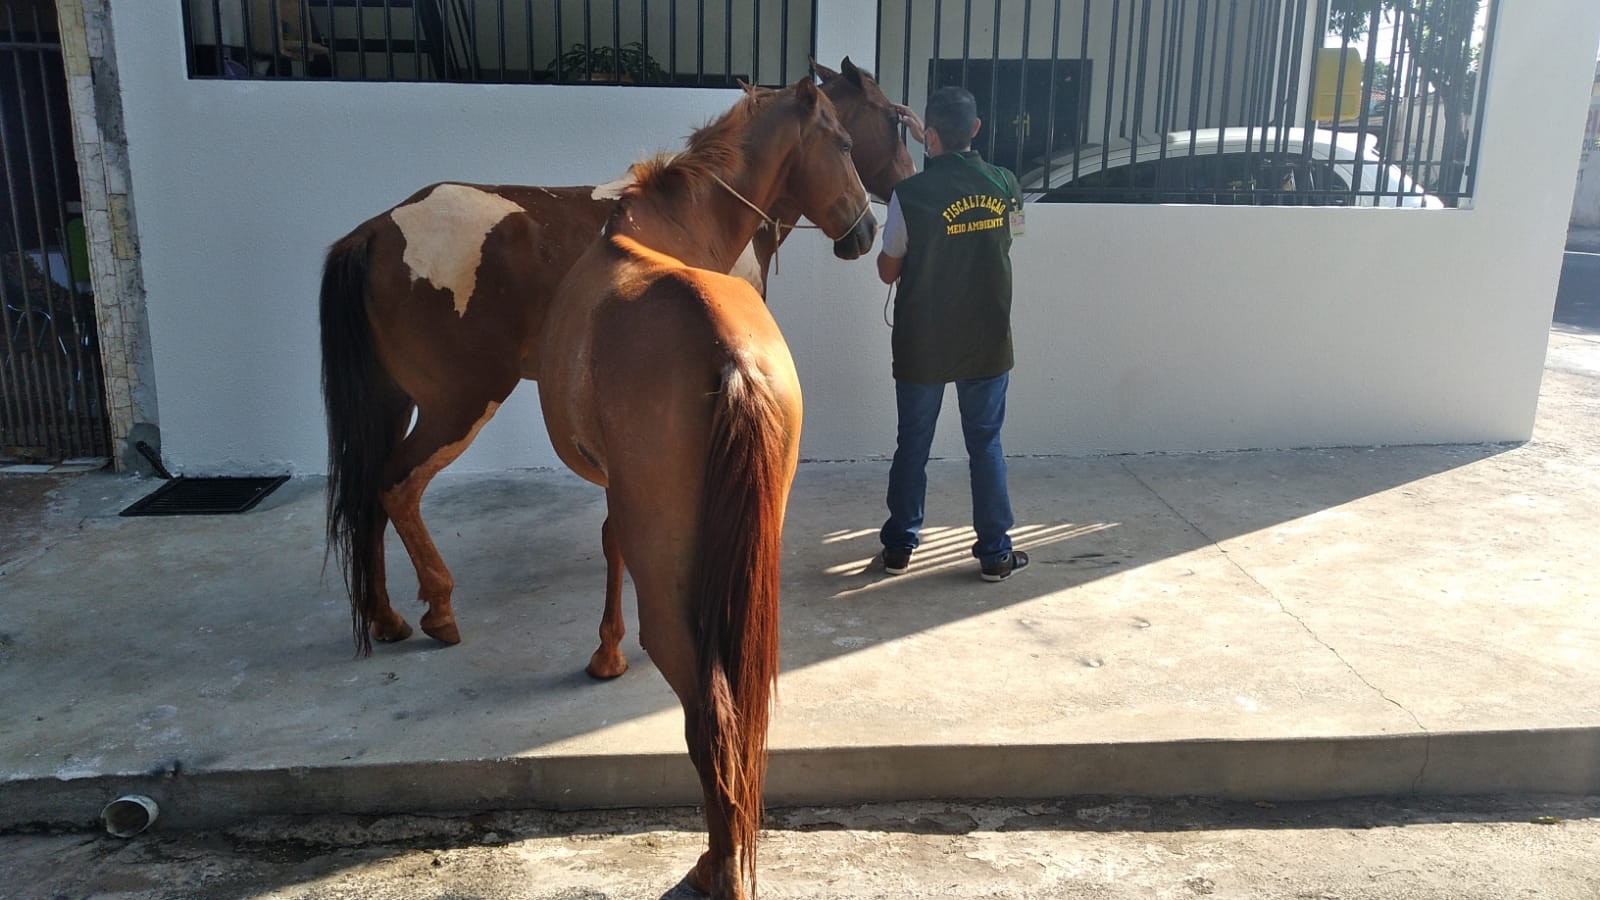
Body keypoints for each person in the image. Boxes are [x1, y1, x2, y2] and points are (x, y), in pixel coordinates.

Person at [875, 86, 1028, 582]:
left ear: (931, 135)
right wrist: (937, 142)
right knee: (985, 444)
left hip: (923, 342)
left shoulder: (908, 195)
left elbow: (887, 271)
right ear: (978, 130)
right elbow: (1013, 237)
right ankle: (995, 554)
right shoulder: (1006, 183)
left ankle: (899, 547)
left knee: (913, 443)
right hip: (986, 339)